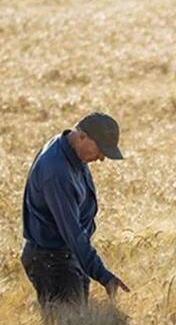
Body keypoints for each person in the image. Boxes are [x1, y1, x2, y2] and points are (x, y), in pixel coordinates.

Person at [21, 112, 130, 308]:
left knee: (79, 322)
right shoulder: (56, 172)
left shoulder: (71, 149)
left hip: (66, 256)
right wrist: (103, 275)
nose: (102, 158)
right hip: (51, 263)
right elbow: (73, 233)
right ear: (82, 137)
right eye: (101, 150)